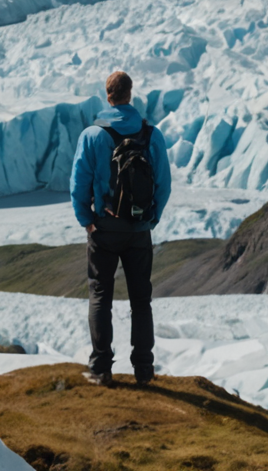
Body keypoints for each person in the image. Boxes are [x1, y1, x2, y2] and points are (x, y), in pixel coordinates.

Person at [69, 69, 171, 387]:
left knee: (101, 295)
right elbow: (164, 184)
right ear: (130, 95)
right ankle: (143, 369)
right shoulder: (151, 135)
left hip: (104, 228)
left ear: (108, 95)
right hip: (139, 229)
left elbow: (78, 183)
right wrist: (150, 220)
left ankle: (101, 369)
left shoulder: (92, 135)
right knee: (141, 300)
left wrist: (86, 219)